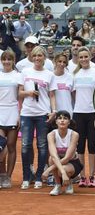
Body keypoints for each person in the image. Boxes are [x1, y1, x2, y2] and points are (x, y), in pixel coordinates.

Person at [18, 46, 57, 190]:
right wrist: (29, 93)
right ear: (32, 57)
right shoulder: (25, 72)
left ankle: (40, 176)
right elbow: (19, 93)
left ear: (44, 57)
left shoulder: (49, 74)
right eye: (35, 56)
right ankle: (26, 177)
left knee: (42, 145)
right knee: (25, 145)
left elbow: (52, 95)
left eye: (40, 55)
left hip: (42, 113)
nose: (37, 58)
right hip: (27, 113)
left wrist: (54, 111)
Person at [72, 47, 95, 188]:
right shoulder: (75, 74)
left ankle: (93, 176)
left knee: (92, 146)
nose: (83, 59)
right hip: (78, 113)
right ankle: (82, 176)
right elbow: (73, 94)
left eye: (85, 56)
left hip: (93, 113)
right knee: (80, 146)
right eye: (81, 57)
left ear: (90, 56)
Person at [42, 110, 83, 196]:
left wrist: (49, 170)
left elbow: (67, 157)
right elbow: (53, 155)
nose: (62, 120)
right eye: (59, 118)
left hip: (73, 162)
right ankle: (58, 185)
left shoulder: (74, 134)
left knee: (63, 169)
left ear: (69, 122)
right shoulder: (51, 135)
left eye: (65, 118)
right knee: (51, 159)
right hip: (58, 161)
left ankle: (69, 183)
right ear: (56, 121)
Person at [0, 50, 22, 188]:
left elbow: (20, 97)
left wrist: (19, 114)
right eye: (4, 59)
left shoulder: (18, 76)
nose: (6, 61)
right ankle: (2, 175)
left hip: (13, 111)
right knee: (0, 148)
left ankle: (8, 177)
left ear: (13, 61)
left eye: (9, 59)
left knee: (11, 146)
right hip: (0, 112)